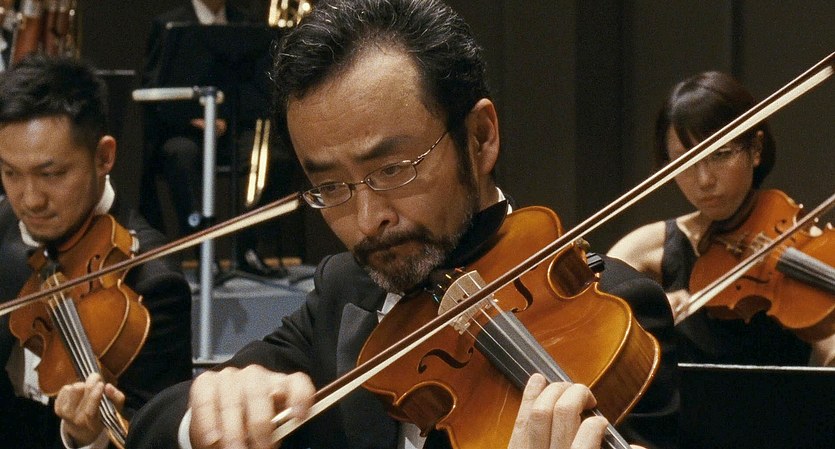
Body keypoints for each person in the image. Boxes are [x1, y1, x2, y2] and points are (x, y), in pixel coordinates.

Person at [125, 1, 678, 448]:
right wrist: (208, 409)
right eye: (331, 187)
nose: (369, 221)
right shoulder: (347, 289)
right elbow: (153, 424)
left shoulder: (614, 313)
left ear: (480, 137)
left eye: (392, 170)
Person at [0, 55, 193, 448]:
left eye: (51, 174)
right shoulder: (3, 221)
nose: (30, 199)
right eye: (10, 172)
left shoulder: (153, 282)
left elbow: (153, 438)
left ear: (104, 157)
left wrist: (88, 439)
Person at [608, 70, 835, 367]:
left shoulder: (806, 245)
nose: (704, 180)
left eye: (721, 154)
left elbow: (828, 350)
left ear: (755, 149)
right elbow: (596, 320)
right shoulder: (650, 247)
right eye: (685, 161)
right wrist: (649, 317)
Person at [139, 0, 286, 277]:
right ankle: (204, 252)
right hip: (184, 130)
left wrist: (228, 116)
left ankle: (247, 248)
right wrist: (193, 117)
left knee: (267, 157)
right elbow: (154, 89)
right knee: (182, 155)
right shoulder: (170, 24)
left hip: (231, 127)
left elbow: (257, 83)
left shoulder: (245, 23)